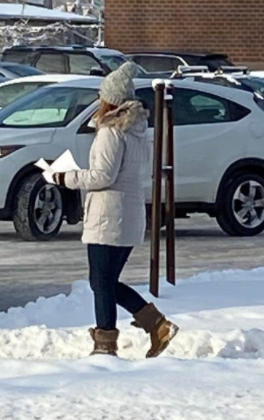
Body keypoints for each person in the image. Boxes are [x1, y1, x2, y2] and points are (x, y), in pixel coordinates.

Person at [55, 62, 178, 358]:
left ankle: (105, 346)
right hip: (127, 214)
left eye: (101, 95)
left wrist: (64, 177)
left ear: (111, 100)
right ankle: (157, 325)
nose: (98, 100)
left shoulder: (112, 132)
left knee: (101, 283)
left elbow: (102, 177)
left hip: (108, 216)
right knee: (104, 282)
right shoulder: (136, 131)